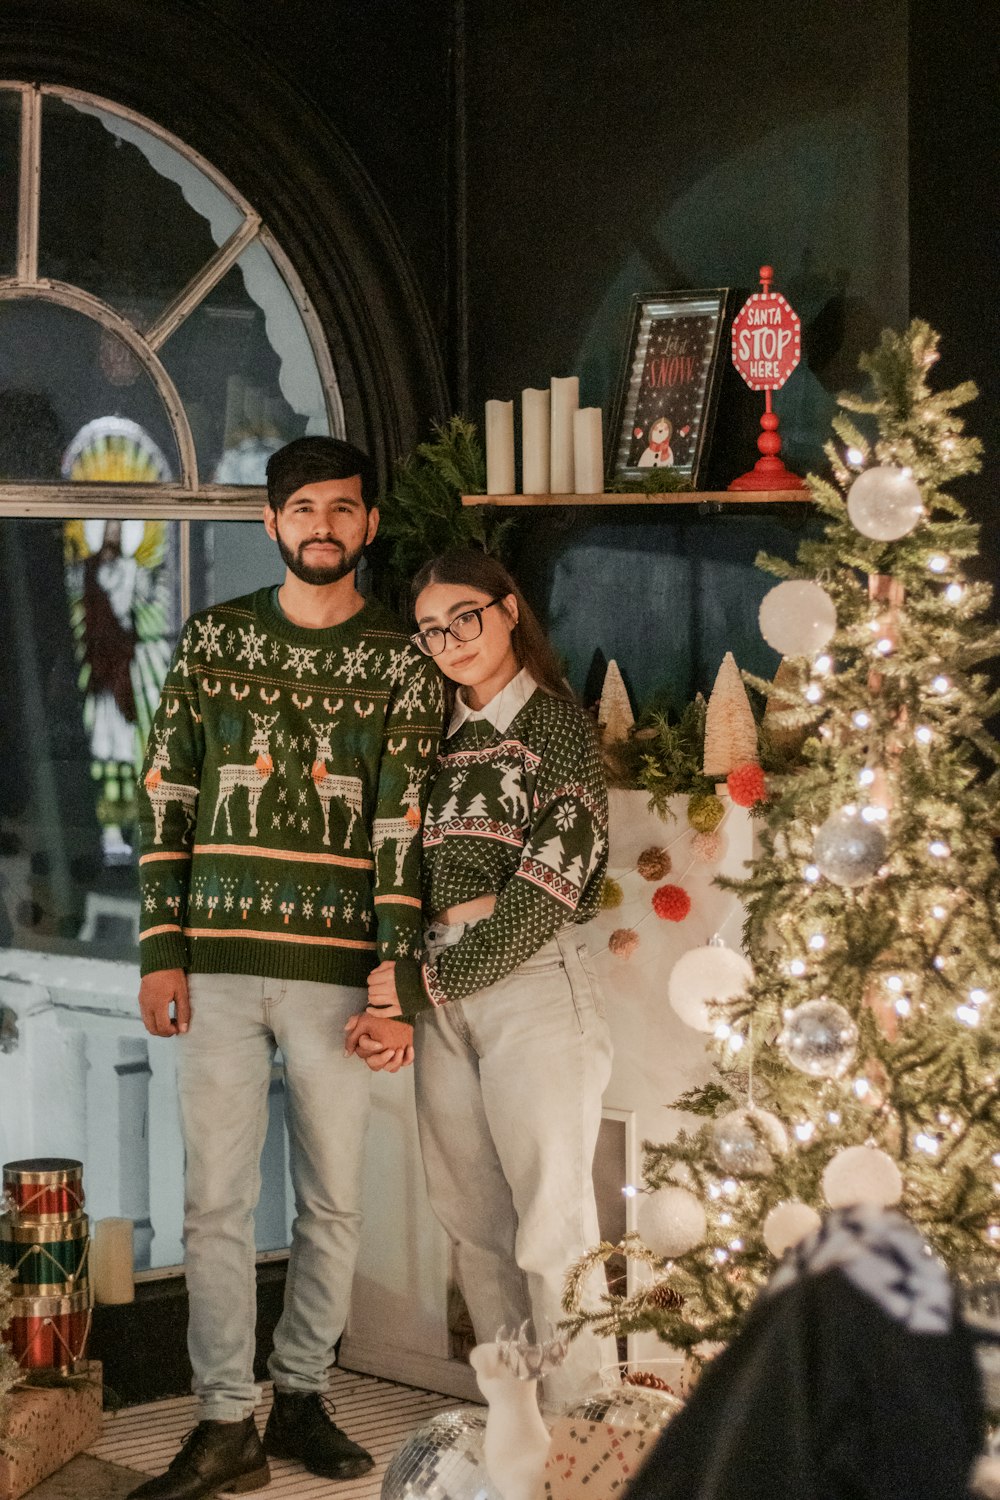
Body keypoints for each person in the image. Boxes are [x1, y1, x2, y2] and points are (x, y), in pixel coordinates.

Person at [131, 436, 443, 1500]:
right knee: (212, 1206)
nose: (322, 525)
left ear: (367, 525)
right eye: (302, 507)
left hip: (336, 973)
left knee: (334, 1203)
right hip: (213, 965)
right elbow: (168, 798)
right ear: (270, 523)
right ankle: (226, 1422)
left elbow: (402, 828)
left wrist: (389, 979)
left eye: (342, 509)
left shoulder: (402, 659)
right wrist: (159, 952)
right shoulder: (214, 641)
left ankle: (302, 1392)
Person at [346, 548, 616, 1408]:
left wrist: (427, 986)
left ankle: (588, 1443)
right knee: (473, 1229)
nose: (449, 640)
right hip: (441, 989)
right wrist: (405, 984)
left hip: (534, 986)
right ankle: (515, 1427)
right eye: (430, 631)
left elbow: (549, 889)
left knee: (554, 1228)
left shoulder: (555, 727)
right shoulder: (429, 739)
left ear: (507, 611)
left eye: (463, 617)